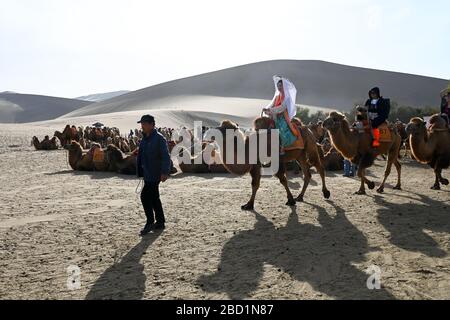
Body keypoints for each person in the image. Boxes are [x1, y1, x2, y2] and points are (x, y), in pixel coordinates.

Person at [136, 115, 171, 235]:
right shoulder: (145, 139)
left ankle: (150, 222)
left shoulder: (159, 139)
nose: (142, 126)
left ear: (152, 124)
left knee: (145, 196)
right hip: (147, 172)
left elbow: (166, 156)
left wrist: (165, 172)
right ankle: (160, 221)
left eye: (144, 124)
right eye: (142, 124)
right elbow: (142, 155)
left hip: (155, 173)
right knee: (154, 196)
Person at [263, 76, 300, 154]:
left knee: (280, 129)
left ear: (284, 87)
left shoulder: (287, 98)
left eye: (281, 86)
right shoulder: (277, 97)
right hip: (274, 115)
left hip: (283, 117)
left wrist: (270, 110)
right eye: (278, 86)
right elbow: (272, 105)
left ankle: (282, 147)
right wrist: (267, 109)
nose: (279, 87)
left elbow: (282, 107)